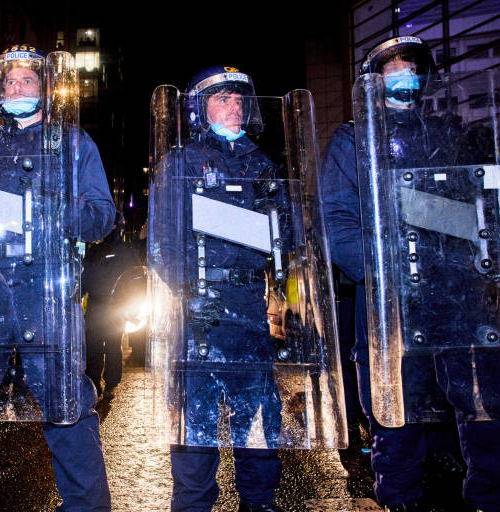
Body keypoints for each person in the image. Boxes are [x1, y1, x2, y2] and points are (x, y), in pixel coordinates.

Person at [0, 44, 115, 512]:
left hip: (44, 295)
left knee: (68, 411)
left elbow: (101, 216)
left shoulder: (71, 143)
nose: (17, 87)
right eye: (9, 80)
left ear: (45, 89)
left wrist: (62, 214)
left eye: (27, 80)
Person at [320, 35, 500, 512]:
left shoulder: (445, 132)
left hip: (454, 297)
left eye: (411, 69)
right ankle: (399, 500)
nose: (405, 77)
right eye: (392, 69)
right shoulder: (353, 139)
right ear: (374, 81)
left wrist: (475, 263)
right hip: (391, 304)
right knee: (396, 410)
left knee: (480, 403)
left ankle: (487, 497)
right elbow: (338, 224)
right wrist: (385, 274)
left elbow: (476, 205)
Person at [156, 67, 285, 512]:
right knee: (196, 423)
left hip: (248, 309)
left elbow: (285, 241)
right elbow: (164, 243)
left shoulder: (261, 165)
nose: (233, 108)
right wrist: (187, 293)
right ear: (199, 108)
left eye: (238, 100)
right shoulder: (181, 162)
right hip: (200, 314)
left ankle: (259, 501)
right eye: (222, 99)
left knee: (259, 420)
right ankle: (192, 504)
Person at [82, 216, 139, 398]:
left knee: (97, 346)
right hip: (112, 307)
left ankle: (98, 383)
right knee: (108, 345)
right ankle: (106, 383)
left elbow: (87, 276)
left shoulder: (97, 250)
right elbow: (135, 279)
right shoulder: (126, 252)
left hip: (101, 307)